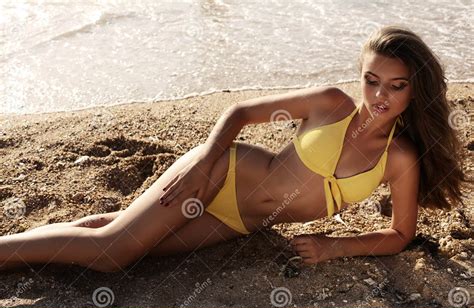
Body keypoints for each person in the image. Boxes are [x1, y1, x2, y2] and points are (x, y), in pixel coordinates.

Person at [0, 26, 470, 272]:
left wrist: (333, 248)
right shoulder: (332, 104)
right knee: (110, 254)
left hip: (236, 222)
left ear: (415, 90)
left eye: (396, 85)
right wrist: (206, 159)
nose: (379, 95)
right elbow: (240, 113)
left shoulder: (399, 158)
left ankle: (25, 250)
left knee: (120, 239)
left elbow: (399, 234)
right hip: (221, 172)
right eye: (371, 80)